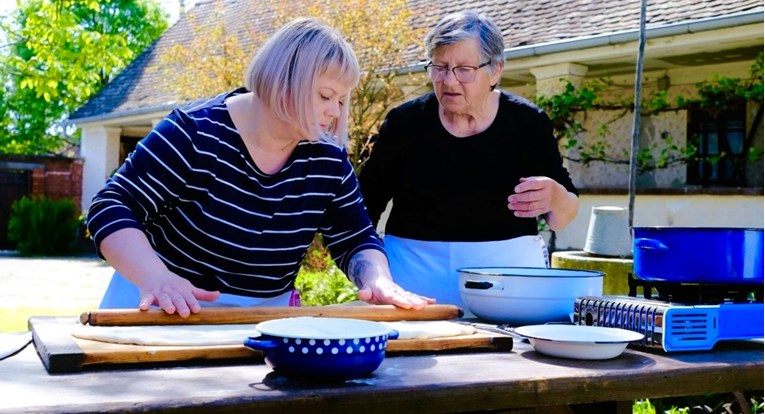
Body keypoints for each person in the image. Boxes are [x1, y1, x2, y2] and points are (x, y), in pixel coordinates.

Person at [86, 17, 434, 317]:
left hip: (263, 324)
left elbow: (355, 237)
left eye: (342, 101)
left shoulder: (328, 159)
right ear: (284, 80)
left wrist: (377, 279)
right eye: (326, 96)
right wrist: (155, 277)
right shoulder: (194, 132)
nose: (335, 113)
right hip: (162, 309)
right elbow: (111, 206)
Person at [358, 11, 579, 310]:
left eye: (464, 69)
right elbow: (362, 211)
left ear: (496, 70)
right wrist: (370, 275)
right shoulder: (404, 124)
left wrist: (554, 196)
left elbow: (563, 215)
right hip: (414, 287)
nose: (448, 81)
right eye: (439, 67)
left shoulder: (527, 122)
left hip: (508, 284)